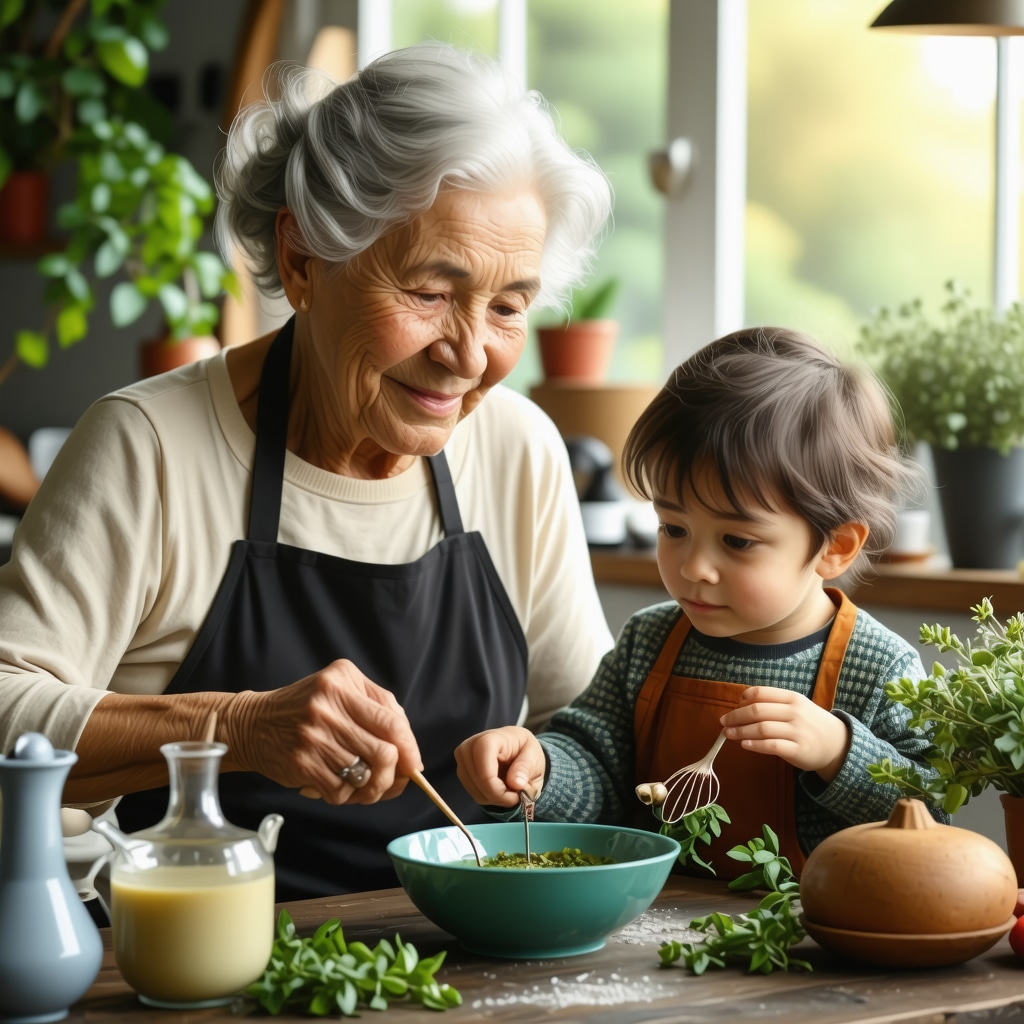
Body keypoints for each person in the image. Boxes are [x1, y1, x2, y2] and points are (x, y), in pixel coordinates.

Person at [0, 43, 614, 899]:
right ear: (302, 262)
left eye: (508, 306)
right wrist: (236, 726)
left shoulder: (518, 448)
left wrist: (548, 763)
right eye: (430, 294)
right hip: (206, 955)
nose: (468, 355)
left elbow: (591, 731)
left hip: (468, 960)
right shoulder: (149, 447)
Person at [455, 327, 947, 877]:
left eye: (736, 541)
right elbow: (595, 766)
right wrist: (540, 768)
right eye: (673, 527)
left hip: (806, 944)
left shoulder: (881, 668)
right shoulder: (650, 641)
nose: (692, 567)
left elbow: (933, 817)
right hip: (646, 935)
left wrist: (839, 751)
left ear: (835, 547)